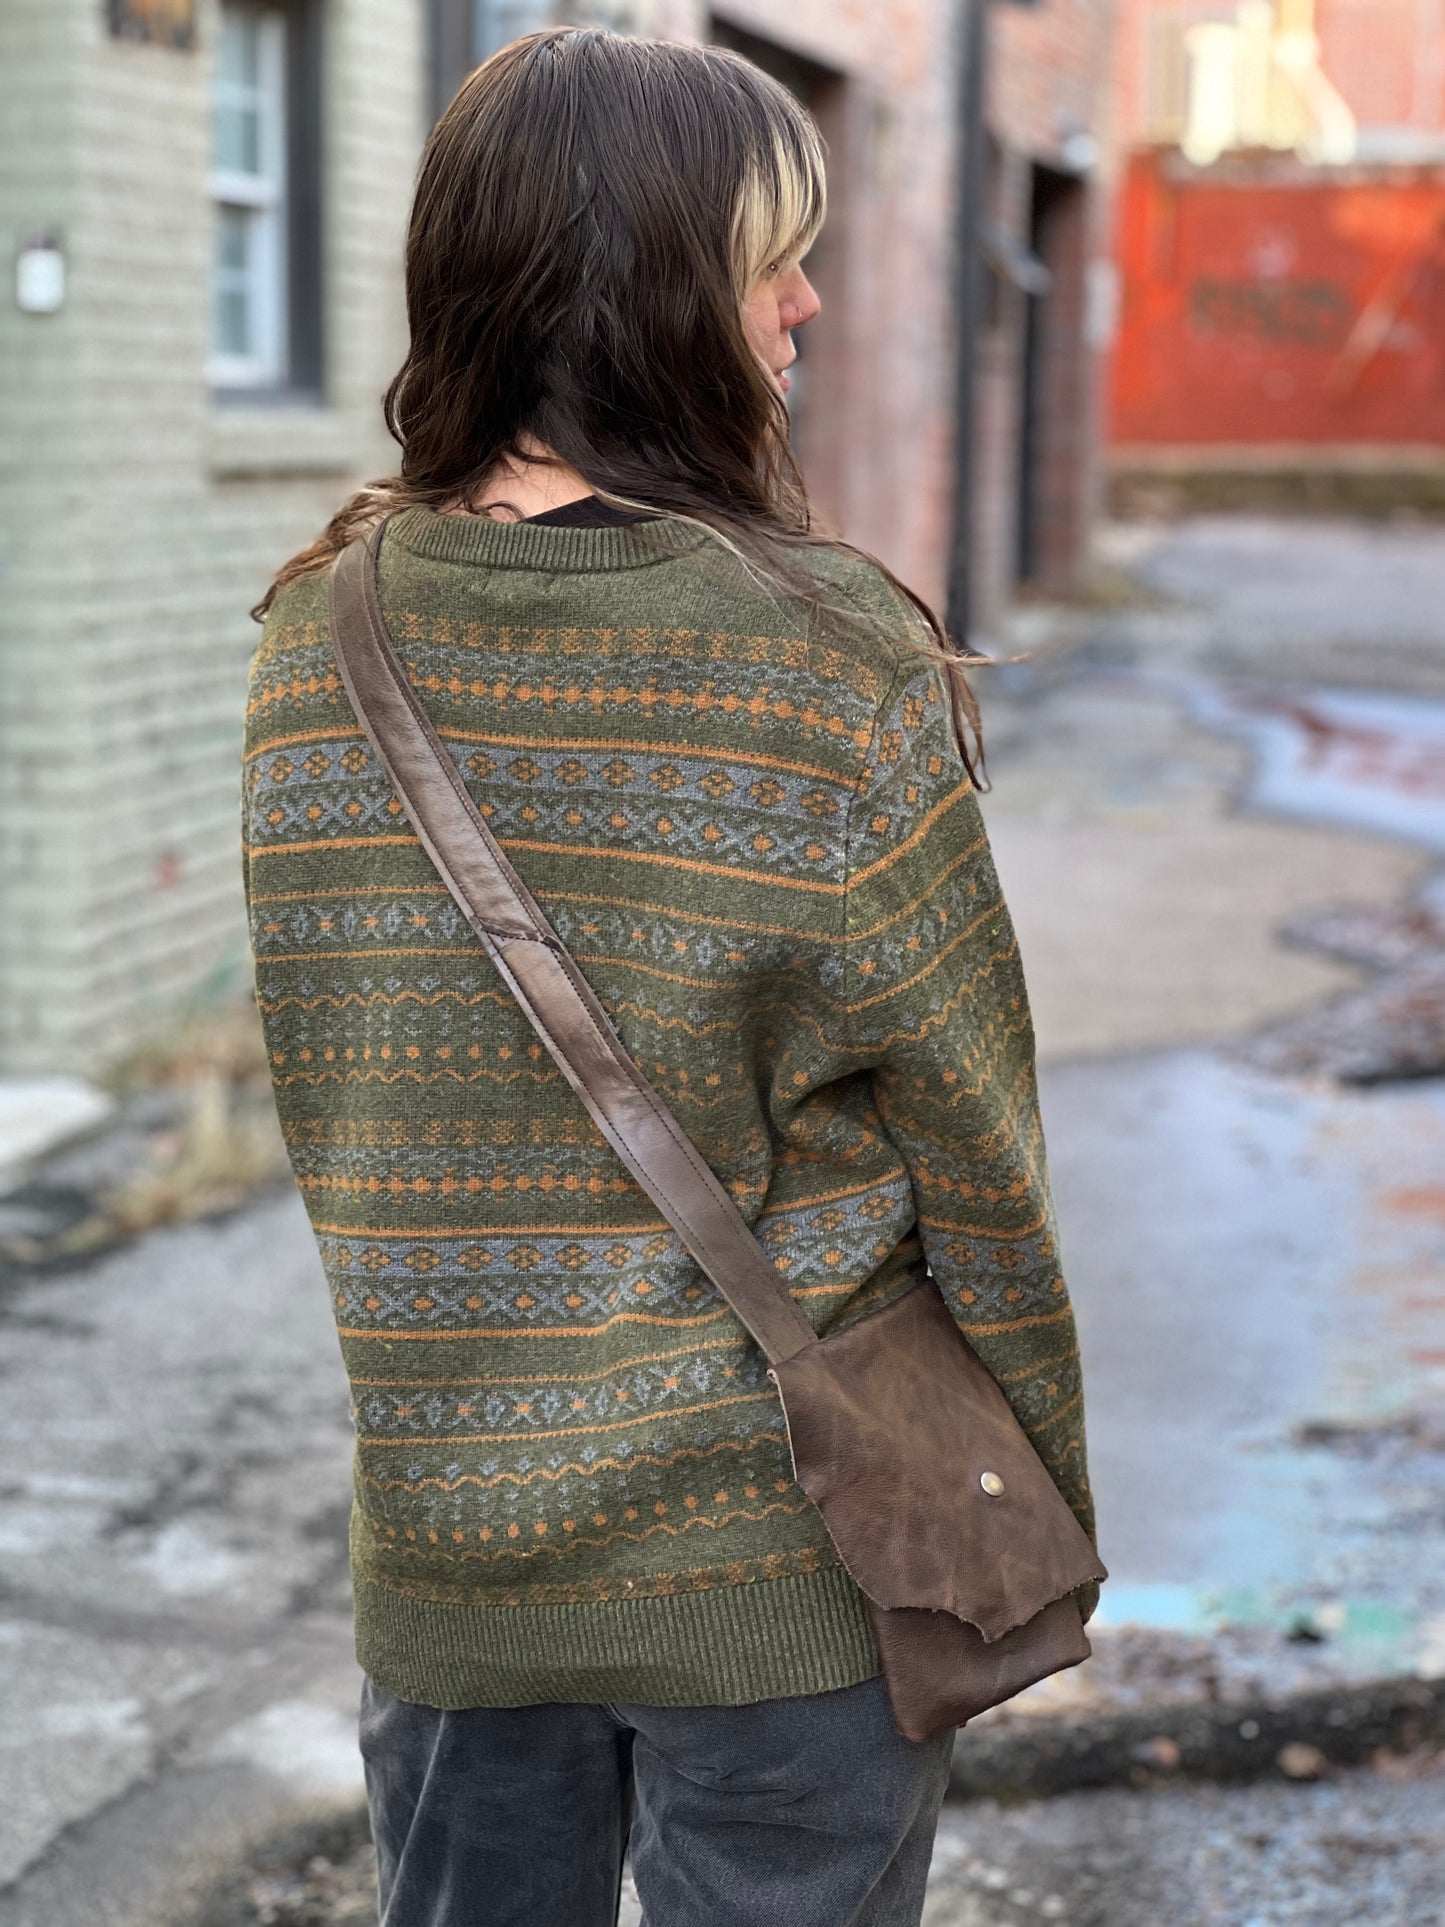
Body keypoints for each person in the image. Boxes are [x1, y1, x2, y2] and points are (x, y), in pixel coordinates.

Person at [242, 27, 1097, 1927]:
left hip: (455, 1558)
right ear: (640, 296)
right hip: (792, 1566)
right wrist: (1019, 1505)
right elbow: (976, 1144)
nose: (804, 302)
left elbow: (340, 1087)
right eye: (761, 260)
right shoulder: (826, 648)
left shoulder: (320, 633)